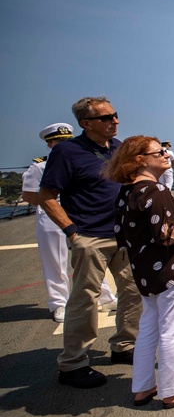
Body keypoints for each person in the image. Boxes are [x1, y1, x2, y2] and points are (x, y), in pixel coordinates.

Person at [38, 96, 142, 389]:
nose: (115, 121)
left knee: (134, 292)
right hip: (90, 236)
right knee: (85, 300)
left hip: (123, 234)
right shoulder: (67, 153)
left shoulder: (119, 148)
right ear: (86, 124)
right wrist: (73, 233)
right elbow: (47, 196)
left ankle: (124, 346)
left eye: (115, 115)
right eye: (107, 118)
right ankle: (73, 364)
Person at [106, 136, 174, 409]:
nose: (167, 154)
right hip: (169, 270)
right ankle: (173, 390)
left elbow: (121, 232)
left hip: (144, 271)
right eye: (160, 151)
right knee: (172, 330)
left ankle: (142, 387)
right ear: (140, 159)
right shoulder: (155, 191)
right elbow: (167, 235)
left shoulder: (127, 190)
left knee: (148, 329)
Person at [22, 123, 117, 322]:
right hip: (50, 217)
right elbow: (30, 195)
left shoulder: (80, 160)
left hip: (79, 213)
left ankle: (105, 297)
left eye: (67, 141)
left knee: (91, 257)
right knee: (56, 261)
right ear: (50, 145)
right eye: (58, 142)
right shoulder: (40, 166)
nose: (64, 145)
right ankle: (59, 303)